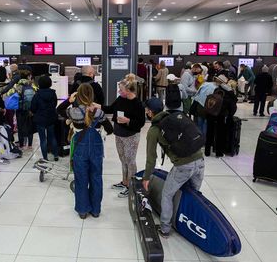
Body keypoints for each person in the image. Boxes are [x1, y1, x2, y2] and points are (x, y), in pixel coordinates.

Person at [142, 97, 205, 238]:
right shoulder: (174, 116)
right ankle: (190, 223)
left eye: (146, 110)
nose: (146, 112)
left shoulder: (154, 130)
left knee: (167, 194)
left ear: (151, 112)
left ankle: (165, 229)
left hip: (183, 166)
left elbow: (151, 158)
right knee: (192, 194)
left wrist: (146, 177)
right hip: (200, 160)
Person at [58, 84, 113, 219]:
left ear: (79, 95)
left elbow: (59, 110)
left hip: (80, 147)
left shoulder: (74, 112)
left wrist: (69, 100)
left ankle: (82, 210)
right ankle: (95, 210)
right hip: (96, 147)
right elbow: (110, 130)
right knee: (96, 178)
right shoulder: (98, 112)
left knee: (81, 178)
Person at [99, 76, 145, 198]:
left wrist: (128, 121)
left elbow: (141, 123)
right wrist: (98, 106)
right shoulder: (120, 99)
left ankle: (131, 186)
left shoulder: (138, 104)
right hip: (119, 134)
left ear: (129, 90)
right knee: (123, 159)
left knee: (130, 161)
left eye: (121, 90)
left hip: (130, 136)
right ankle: (124, 182)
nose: (119, 92)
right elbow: (110, 108)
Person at [205, 75, 237, 157]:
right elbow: (233, 103)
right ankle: (218, 152)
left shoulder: (215, 89)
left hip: (211, 113)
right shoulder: (229, 91)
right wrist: (230, 114)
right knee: (220, 134)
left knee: (210, 131)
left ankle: (207, 151)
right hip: (221, 115)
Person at [31, 75, 58, 161]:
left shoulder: (37, 95)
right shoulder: (53, 93)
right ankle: (56, 155)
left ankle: (45, 157)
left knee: (43, 139)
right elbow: (55, 104)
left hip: (40, 118)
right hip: (51, 117)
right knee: (52, 137)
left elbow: (33, 107)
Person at [8, 70, 36, 149]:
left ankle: (21, 145)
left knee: (20, 127)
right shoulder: (32, 86)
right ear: (28, 76)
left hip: (20, 109)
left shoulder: (17, 86)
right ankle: (30, 145)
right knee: (30, 126)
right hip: (30, 110)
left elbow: (9, 94)